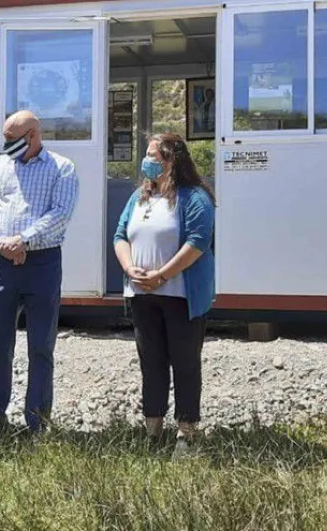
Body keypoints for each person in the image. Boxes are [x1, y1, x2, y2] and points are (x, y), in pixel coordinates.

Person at [0, 110, 79, 433]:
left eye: (11, 138)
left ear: (33, 135)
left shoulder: (62, 168)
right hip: (2, 264)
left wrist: (23, 239)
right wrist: (2, 242)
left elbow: (61, 213)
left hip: (43, 263)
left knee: (40, 347)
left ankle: (37, 422)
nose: (6, 144)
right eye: (5, 137)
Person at [113, 133, 215, 458]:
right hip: (142, 295)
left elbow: (198, 242)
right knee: (151, 363)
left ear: (172, 159)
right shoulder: (139, 197)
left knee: (185, 363)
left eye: (153, 155)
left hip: (181, 295)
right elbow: (120, 235)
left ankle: (186, 432)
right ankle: (152, 430)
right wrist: (130, 268)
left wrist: (162, 275)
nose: (148, 162)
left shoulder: (194, 196)